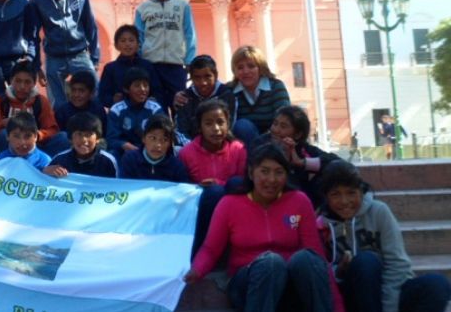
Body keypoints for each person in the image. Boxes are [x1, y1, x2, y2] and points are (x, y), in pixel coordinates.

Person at [185, 143, 343, 312]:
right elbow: (210, 249)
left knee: (307, 258)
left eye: (279, 172)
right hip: (248, 284)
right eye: (265, 171)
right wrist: (196, 271)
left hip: (291, 283)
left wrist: (339, 307)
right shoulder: (229, 205)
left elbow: (316, 255)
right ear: (251, 172)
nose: (272, 179)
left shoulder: (299, 202)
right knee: (271, 263)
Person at [317, 161, 451, 312]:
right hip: (352, 295)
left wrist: (389, 308)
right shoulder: (321, 224)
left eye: (351, 193)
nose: (344, 201)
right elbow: (320, 274)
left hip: (390, 289)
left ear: (361, 191)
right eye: (335, 194)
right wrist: (339, 270)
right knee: (365, 261)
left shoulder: (379, 212)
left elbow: (397, 264)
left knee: (437, 285)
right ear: (326, 197)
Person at [28, 0, 100, 107]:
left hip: (79, 53)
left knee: (94, 95)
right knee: (57, 104)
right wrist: (37, 66)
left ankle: (95, 128)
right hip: (55, 57)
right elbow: (33, 36)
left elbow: (90, 25)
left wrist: (94, 57)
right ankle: (61, 130)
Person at [178, 99, 246, 256]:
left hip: (232, 209)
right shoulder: (186, 153)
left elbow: (245, 183)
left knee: (233, 185)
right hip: (201, 212)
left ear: (228, 124)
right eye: (208, 123)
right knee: (213, 193)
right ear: (200, 127)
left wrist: (219, 184)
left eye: (220, 122)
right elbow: (182, 190)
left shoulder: (238, 149)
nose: (216, 129)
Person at [135, 0, 197, 113]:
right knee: (156, 108)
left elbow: (190, 33)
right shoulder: (142, 9)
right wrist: (141, 61)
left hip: (176, 65)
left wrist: (189, 60)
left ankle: (180, 135)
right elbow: (139, 36)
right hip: (152, 66)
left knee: (180, 106)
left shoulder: (182, 6)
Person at [251, 105, 338, 207]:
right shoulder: (260, 143)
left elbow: (336, 162)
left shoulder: (302, 148)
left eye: (283, 126)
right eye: (275, 124)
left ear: (297, 134)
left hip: (299, 201)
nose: (276, 130)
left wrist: (301, 162)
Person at [0, 61, 69, 157]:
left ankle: (46, 165)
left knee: (63, 137)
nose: (22, 86)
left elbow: (52, 129)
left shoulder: (41, 101)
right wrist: (3, 124)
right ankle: (9, 165)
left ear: (34, 83)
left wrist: (36, 135)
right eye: (18, 81)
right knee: (2, 134)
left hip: (36, 146)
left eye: (27, 82)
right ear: (10, 81)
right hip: (10, 147)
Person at [227, 45, 290, 147]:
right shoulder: (229, 91)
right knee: (242, 126)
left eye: (251, 66)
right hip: (243, 144)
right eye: (240, 67)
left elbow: (285, 120)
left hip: (273, 141)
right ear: (235, 71)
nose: (246, 71)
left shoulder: (276, 87)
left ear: (261, 68)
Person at [106, 67, 165, 160]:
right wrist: (125, 145)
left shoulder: (155, 109)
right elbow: (111, 139)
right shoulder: (116, 110)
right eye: (137, 86)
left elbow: (163, 134)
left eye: (145, 85)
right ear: (126, 89)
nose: (142, 89)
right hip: (124, 152)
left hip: (150, 150)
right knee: (111, 154)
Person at [173, 54, 237, 141]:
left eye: (207, 77)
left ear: (216, 75)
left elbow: (229, 127)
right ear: (191, 78)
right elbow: (181, 130)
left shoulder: (226, 95)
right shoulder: (184, 97)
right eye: (197, 78)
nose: (203, 83)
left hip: (220, 144)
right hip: (192, 146)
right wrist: (194, 148)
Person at [98, 24, 161, 109]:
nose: (127, 44)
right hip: (120, 114)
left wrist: (151, 100)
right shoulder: (110, 68)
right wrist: (112, 100)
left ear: (138, 44)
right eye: (123, 41)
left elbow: (157, 91)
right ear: (116, 45)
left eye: (131, 40)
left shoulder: (147, 66)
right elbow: (102, 96)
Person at [44, 112, 118, 178]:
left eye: (88, 135)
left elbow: (116, 187)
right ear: (70, 138)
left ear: (98, 139)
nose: (84, 140)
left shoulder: (108, 161)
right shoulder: (60, 159)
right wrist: (46, 172)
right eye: (79, 134)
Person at [117, 115, 189, 182]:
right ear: (143, 138)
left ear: (170, 143)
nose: (158, 145)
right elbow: (124, 189)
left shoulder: (176, 166)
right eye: (153, 138)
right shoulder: (130, 160)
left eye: (164, 140)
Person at [53, 70, 107, 134]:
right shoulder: (62, 111)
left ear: (91, 93)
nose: (76, 95)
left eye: (81, 91)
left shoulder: (98, 110)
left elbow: (103, 134)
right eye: (73, 90)